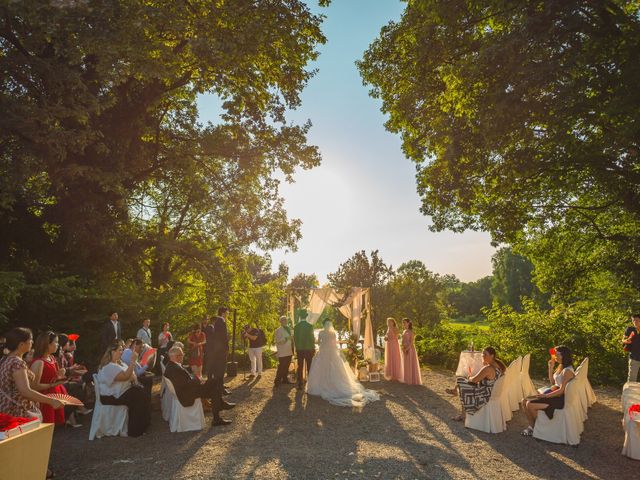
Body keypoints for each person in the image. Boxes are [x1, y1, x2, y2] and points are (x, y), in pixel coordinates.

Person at [0, 328, 64, 480]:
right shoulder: (16, 362)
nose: (32, 343)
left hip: (6, 409)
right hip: (20, 411)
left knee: (15, 449)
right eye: (30, 340)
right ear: (22, 344)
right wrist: (51, 400)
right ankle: (37, 472)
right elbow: (25, 391)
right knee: (29, 446)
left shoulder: (5, 360)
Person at [307, 320, 380, 407]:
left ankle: (322, 386)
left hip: (323, 352)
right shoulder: (333, 334)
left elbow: (319, 343)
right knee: (334, 369)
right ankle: (333, 385)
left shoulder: (321, 333)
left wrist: (321, 344)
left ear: (324, 325)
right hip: (332, 352)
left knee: (322, 369)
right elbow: (334, 344)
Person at [97, 341, 150, 437]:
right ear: (112, 352)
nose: (122, 352)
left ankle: (143, 424)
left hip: (120, 392)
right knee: (139, 396)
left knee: (143, 392)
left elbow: (132, 375)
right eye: (120, 350)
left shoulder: (119, 363)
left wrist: (131, 375)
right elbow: (126, 376)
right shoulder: (109, 366)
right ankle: (135, 431)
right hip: (111, 396)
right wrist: (133, 361)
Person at [521, 345, 575, 436]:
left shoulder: (567, 371)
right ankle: (532, 426)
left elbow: (562, 390)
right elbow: (553, 382)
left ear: (563, 356)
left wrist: (545, 396)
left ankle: (541, 428)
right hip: (553, 393)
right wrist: (550, 368)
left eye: (557, 354)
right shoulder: (561, 366)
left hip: (559, 398)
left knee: (529, 404)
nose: (555, 357)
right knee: (524, 401)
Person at [448, 346, 506, 421]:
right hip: (490, 392)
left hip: (483, 395)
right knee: (464, 381)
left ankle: (463, 414)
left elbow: (474, 380)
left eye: (485, 354)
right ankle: (456, 391)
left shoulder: (488, 368)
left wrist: (469, 377)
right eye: (482, 354)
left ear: (492, 356)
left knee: (460, 380)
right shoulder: (499, 366)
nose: (483, 356)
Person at [203, 307, 236, 426]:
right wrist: (225, 351)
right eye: (227, 311)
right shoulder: (220, 322)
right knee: (217, 384)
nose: (228, 313)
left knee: (219, 383)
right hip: (218, 358)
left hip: (216, 358)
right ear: (223, 312)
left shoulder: (216, 323)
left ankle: (221, 402)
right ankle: (216, 417)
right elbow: (222, 339)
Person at [30, 331, 69, 425]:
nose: (58, 345)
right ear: (47, 344)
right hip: (44, 399)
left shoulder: (52, 358)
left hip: (54, 395)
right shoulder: (39, 362)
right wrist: (52, 384)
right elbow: (34, 386)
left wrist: (59, 374)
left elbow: (53, 376)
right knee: (46, 425)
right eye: (55, 342)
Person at [294, 309, 315, 389]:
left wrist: (296, 348)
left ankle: (300, 383)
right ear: (306, 317)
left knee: (300, 365)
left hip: (300, 349)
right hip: (308, 349)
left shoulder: (296, 327)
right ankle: (310, 383)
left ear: (300, 316)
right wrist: (313, 347)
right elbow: (311, 338)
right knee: (309, 365)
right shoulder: (310, 326)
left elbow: (295, 338)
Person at [274, 316, 294, 387]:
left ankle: (284, 379)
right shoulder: (278, 330)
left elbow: (292, 338)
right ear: (280, 322)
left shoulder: (288, 329)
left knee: (287, 366)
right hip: (282, 351)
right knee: (281, 366)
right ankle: (277, 380)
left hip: (289, 350)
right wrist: (286, 338)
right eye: (283, 320)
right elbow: (278, 341)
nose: (285, 321)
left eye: (285, 320)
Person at [401, 318, 422, 385]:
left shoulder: (411, 331)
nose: (403, 324)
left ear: (408, 323)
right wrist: (403, 347)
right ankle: (406, 378)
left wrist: (407, 349)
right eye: (403, 322)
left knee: (410, 363)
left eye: (404, 322)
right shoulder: (404, 331)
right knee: (405, 363)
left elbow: (412, 342)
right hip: (404, 348)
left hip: (410, 349)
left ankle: (411, 379)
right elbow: (403, 340)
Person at [384, 317, 403, 382]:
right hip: (389, 345)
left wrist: (389, 338)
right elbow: (387, 335)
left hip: (394, 344)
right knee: (389, 358)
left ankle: (396, 375)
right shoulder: (388, 328)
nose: (388, 323)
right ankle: (391, 375)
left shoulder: (395, 328)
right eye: (388, 322)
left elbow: (396, 337)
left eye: (390, 322)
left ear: (393, 322)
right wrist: (386, 337)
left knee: (394, 358)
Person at [623, 314, 640, 382]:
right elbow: (623, 340)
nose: (635, 322)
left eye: (637, 320)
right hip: (634, 357)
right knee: (632, 379)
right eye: (633, 320)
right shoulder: (630, 329)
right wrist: (627, 341)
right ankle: (630, 393)